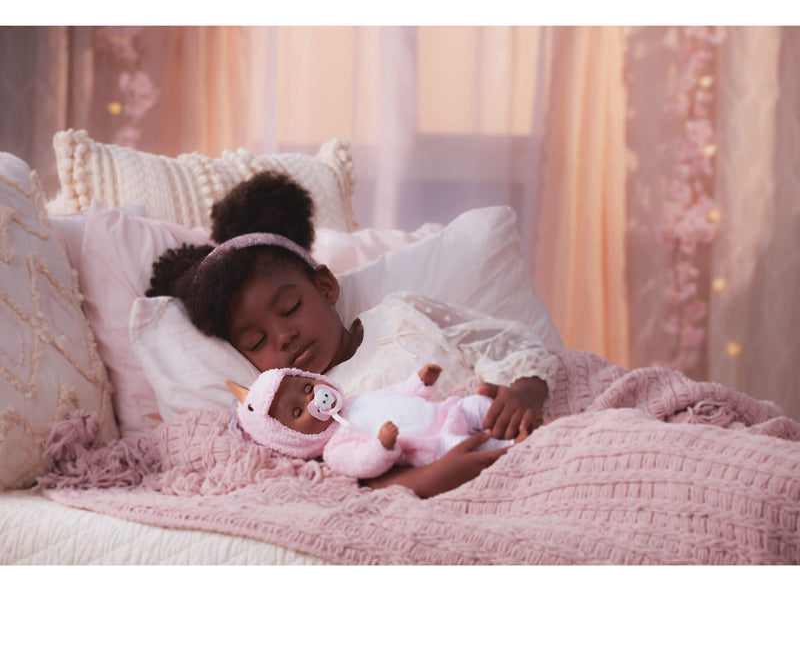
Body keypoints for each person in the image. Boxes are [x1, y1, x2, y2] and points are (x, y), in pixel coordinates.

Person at [147, 171, 558, 497]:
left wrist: (525, 391)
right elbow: (346, 482)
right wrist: (429, 479)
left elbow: (508, 342)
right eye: (256, 342)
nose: (283, 337)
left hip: (523, 440)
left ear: (325, 287)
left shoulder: (402, 314)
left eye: (290, 308)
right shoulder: (302, 418)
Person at [226, 363, 521, 479]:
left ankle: (504, 421)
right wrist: (382, 445)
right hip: (432, 445)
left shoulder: (357, 401)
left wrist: (420, 382)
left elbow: (396, 395)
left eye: (306, 387)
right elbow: (360, 463)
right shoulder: (336, 446)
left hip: (444, 413)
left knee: (473, 404)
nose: (311, 398)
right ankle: (509, 444)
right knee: (465, 446)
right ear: (292, 438)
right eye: (296, 412)